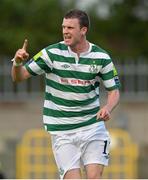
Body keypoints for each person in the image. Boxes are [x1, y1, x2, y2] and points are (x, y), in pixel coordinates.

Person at [11, 9, 120, 179]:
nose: (65, 31)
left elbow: (114, 91)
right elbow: (19, 77)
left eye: (70, 27)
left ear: (83, 30)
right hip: (62, 131)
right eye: (63, 27)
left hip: (92, 127)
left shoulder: (101, 57)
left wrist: (108, 107)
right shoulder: (51, 54)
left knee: (94, 177)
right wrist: (17, 63)